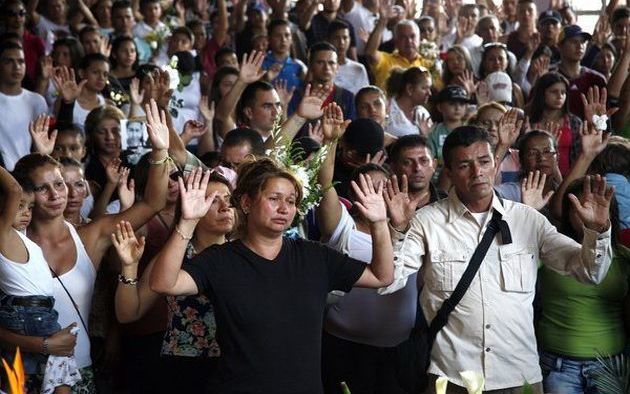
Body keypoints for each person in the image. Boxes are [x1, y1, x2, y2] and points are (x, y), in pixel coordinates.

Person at [382, 125, 614, 393]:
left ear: (496, 164)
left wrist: (597, 231)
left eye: (484, 161)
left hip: (519, 376)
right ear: (447, 172)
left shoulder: (527, 219)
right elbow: (388, 282)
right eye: (464, 165)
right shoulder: (427, 221)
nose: (477, 172)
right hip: (452, 376)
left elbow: (590, 273)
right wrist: (396, 229)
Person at [150, 157, 394, 393]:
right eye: (274, 198)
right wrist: (187, 223)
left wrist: (380, 223)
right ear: (246, 203)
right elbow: (163, 283)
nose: (284, 208)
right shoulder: (220, 259)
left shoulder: (314, 256)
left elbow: (382, 276)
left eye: (291, 201)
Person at [3, 99, 168, 392]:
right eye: (42, 188)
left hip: (79, 371)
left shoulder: (91, 236)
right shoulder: (10, 240)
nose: (56, 194)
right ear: (28, 193)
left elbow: (154, 203)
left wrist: (160, 150)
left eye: (60, 184)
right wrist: (41, 344)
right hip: (20, 374)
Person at [112, 171, 235, 393]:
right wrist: (129, 267)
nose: (224, 207)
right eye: (212, 200)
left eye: (229, 199)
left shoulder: (244, 253)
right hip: (183, 367)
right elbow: (128, 313)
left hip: (237, 364)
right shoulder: (174, 255)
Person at [0, 164, 80, 394]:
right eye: (19, 206)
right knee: (57, 373)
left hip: (40, 312)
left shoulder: (21, 236)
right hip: (27, 314)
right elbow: (14, 189)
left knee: (48, 376)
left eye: (30, 206)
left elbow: (20, 186)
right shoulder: (3, 233)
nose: (26, 212)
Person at [0, 41, 47, 171]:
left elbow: (41, 144)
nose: (16, 67)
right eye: (9, 61)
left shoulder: (37, 101)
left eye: (21, 61)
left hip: (29, 173)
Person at [385, 66, 433, 137]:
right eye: (424, 88)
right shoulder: (386, 109)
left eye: (429, 88)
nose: (429, 93)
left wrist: (426, 136)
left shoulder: (423, 113)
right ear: (409, 89)